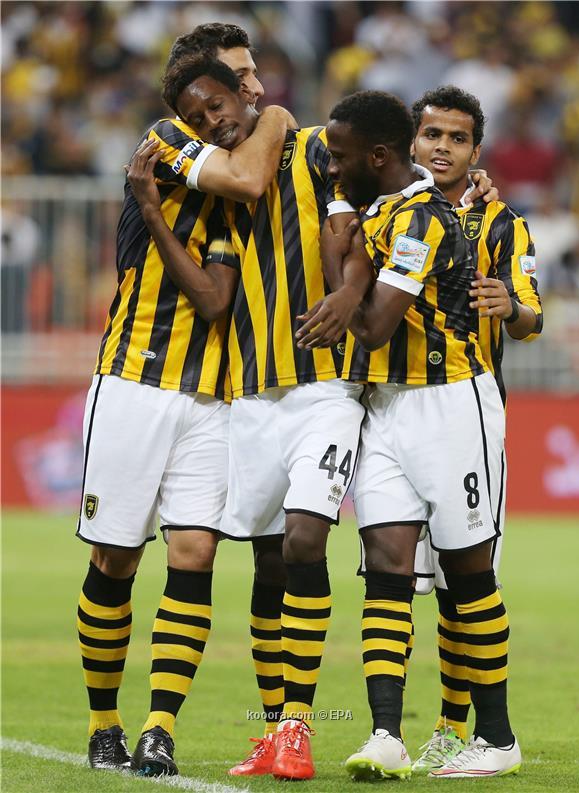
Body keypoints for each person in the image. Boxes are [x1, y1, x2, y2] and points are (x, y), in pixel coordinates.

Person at [133, 52, 371, 782]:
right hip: (251, 394)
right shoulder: (224, 193)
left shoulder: (316, 149)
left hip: (327, 385)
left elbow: (373, 220)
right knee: (269, 563)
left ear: (247, 92)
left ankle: (298, 726)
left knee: (304, 539)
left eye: (219, 106)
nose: (213, 121)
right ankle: (274, 731)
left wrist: (350, 290)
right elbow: (216, 295)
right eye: (197, 117)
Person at [76, 33, 293, 776]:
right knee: (115, 556)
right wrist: (279, 118)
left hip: (211, 393)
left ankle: (158, 728)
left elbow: (216, 297)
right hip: (135, 377)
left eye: (253, 79)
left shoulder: (232, 177)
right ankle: (103, 724)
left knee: (194, 555)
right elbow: (247, 178)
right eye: (242, 75)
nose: (253, 89)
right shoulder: (168, 138)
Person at [298, 89, 520, 780]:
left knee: (469, 573)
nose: (333, 169)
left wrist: (343, 272)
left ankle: (497, 736)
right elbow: (352, 285)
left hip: (451, 404)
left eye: (341, 158)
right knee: (386, 567)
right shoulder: (381, 208)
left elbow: (371, 326)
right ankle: (386, 734)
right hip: (385, 405)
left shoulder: (423, 217)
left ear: (377, 156)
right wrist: (345, 256)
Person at [406, 85, 542, 775]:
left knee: (469, 577)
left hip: (470, 408)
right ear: (412, 140)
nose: (443, 147)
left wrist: (509, 304)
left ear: (476, 151)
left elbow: (532, 318)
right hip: (399, 411)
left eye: (457, 138)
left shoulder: (504, 224)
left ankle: (465, 729)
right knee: (418, 582)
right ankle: (441, 729)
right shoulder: (390, 210)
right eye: (433, 134)